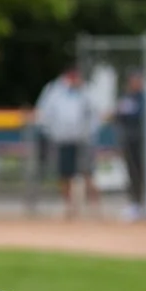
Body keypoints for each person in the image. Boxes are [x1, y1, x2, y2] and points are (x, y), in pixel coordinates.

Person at [35, 66, 100, 218]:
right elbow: (44, 113)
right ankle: (70, 208)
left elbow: (96, 114)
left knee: (88, 173)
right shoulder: (54, 90)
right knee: (65, 175)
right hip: (62, 139)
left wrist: (90, 134)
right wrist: (51, 133)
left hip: (84, 139)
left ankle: (95, 209)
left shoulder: (86, 91)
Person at [114, 71, 146, 220]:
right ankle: (135, 204)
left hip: (143, 141)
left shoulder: (145, 98)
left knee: (144, 173)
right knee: (132, 174)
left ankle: (145, 203)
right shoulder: (127, 97)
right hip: (129, 141)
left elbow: (139, 115)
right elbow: (118, 115)